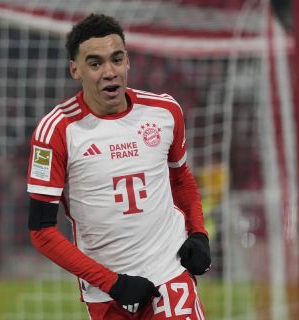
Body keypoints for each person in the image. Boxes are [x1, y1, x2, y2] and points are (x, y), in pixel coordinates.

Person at [26, 13, 211, 319]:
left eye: (116, 59)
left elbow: (181, 178)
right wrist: (114, 283)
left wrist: (199, 234)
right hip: (107, 291)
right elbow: (42, 231)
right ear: (75, 69)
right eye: (95, 63)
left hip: (169, 272)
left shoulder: (165, 112)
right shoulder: (56, 131)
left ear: (128, 62)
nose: (109, 72)